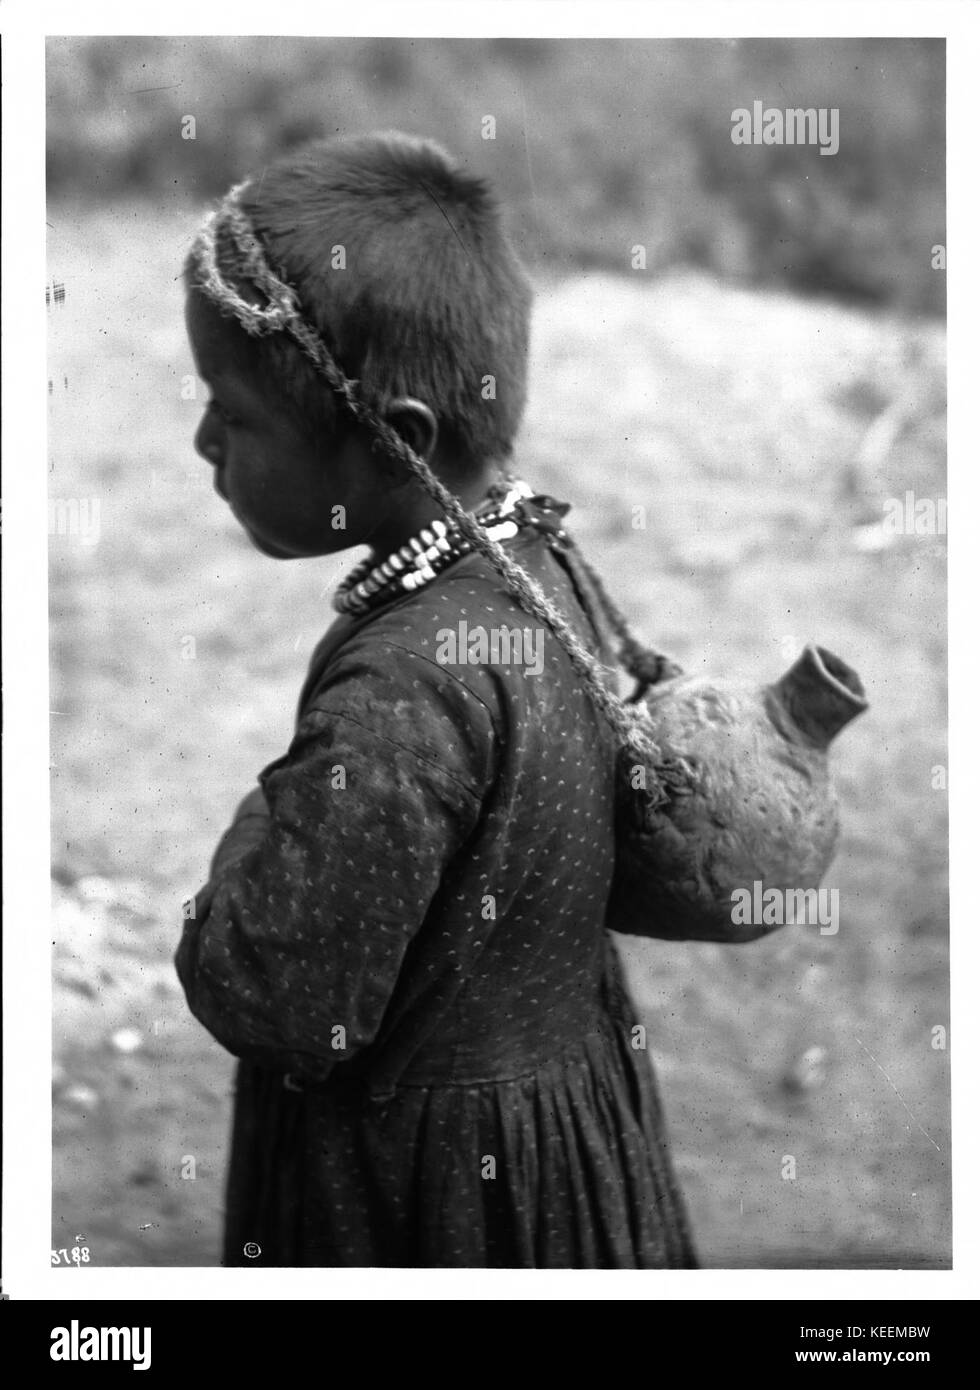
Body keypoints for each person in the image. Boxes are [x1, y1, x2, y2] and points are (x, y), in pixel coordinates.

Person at [176, 131, 697, 1268]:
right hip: (564, 1116)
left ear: (394, 440)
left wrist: (248, 837)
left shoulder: (406, 691)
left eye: (234, 411)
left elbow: (282, 998)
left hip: (425, 1185)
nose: (203, 437)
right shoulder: (537, 567)